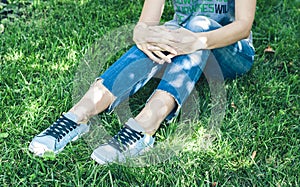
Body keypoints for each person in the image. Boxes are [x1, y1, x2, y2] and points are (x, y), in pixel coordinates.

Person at [29, 0, 256, 164]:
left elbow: (243, 26)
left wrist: (196, 40)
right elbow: (144, 25)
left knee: (198, 24)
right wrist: (145, 36)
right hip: (181, 40)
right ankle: (77, 116)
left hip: (231, 52)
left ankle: (145, 126)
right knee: (161, 33)